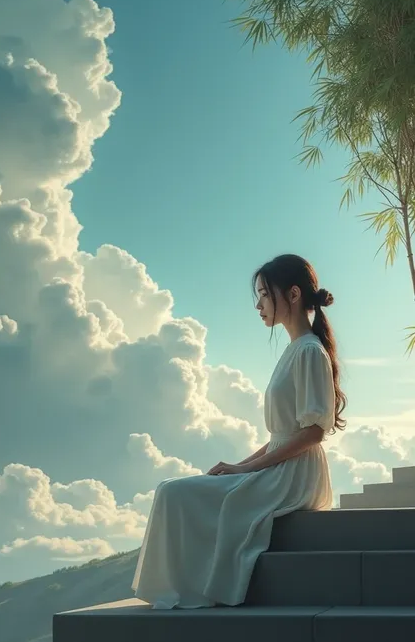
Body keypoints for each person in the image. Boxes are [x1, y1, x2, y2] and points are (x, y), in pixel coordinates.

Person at [132, 254, 347, 609]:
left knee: (175, 494)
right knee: (172, 489)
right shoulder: (296, 350)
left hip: (295, 474)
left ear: (293, 295)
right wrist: (240, 464)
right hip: (282, 464)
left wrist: (246, 470)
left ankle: (182, 588)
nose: (258, 305)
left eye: (264, 295)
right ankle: (178, 586)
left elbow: (312, 434)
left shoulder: (309, 351)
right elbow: (284, 433)